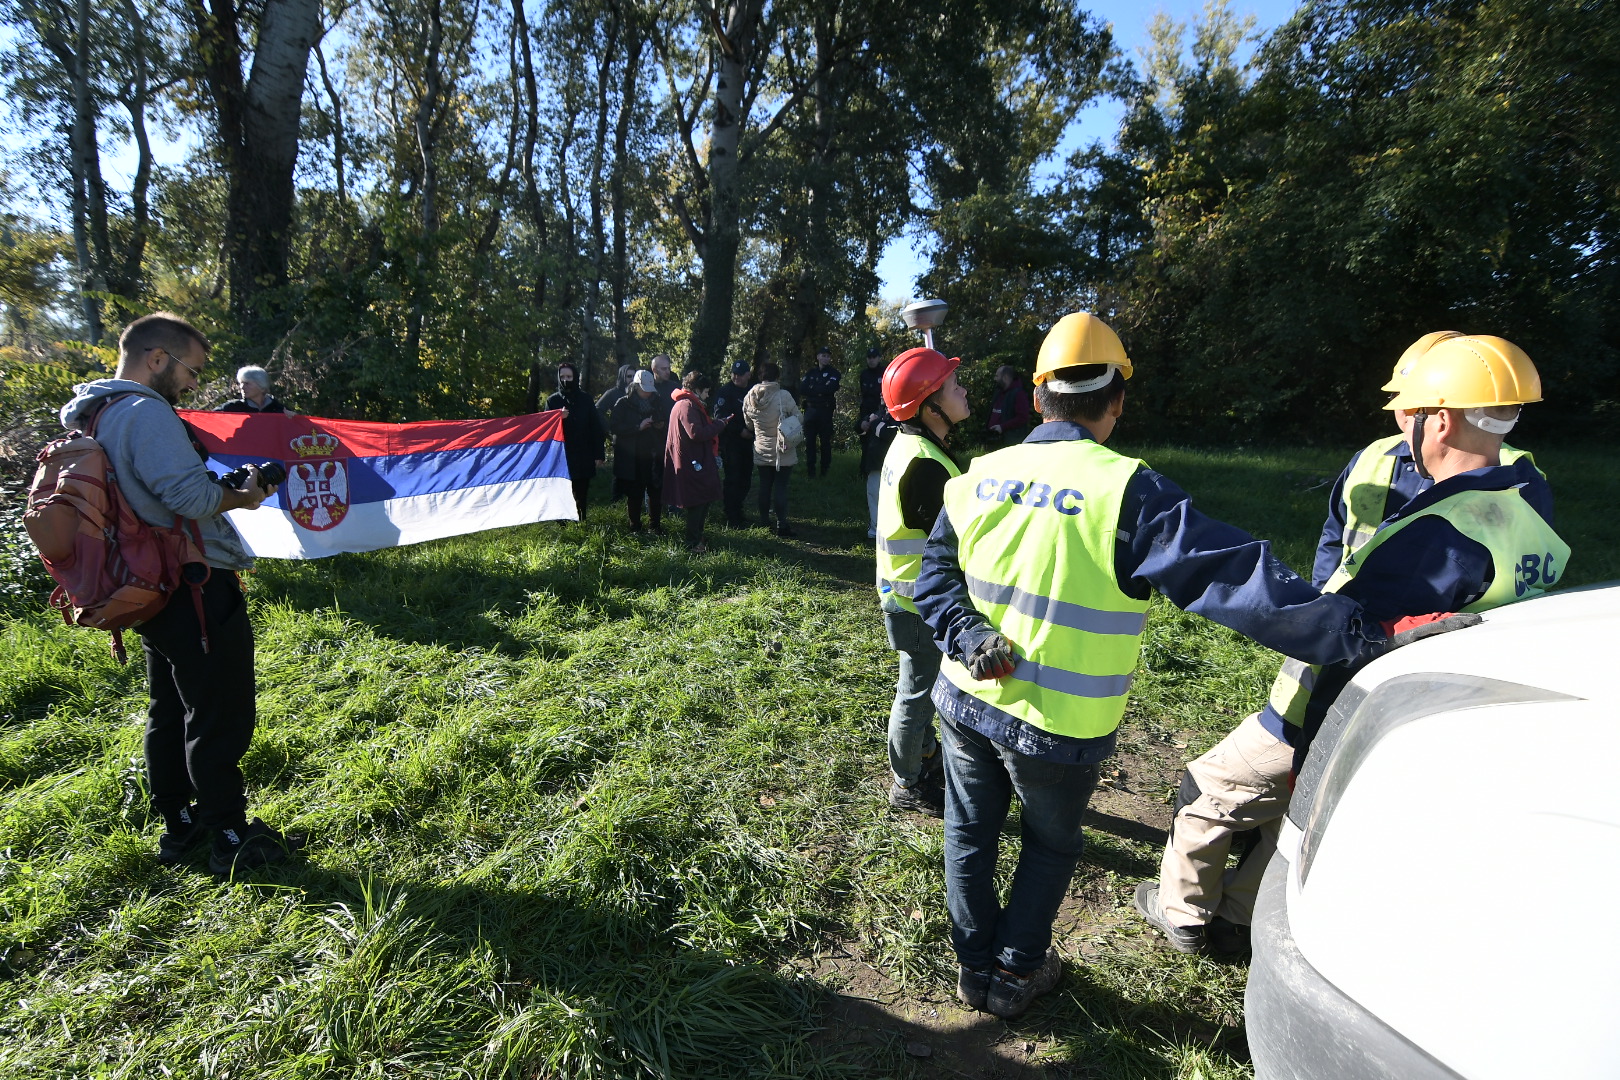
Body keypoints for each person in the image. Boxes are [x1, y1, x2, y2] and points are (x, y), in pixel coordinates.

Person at [915, 312, 1395, 1021]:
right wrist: (1364, 635)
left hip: (961, 702)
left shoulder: (979, 475)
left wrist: (966, 633)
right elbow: (1239, 581)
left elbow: (933, 581)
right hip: (1059, 728)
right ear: (1116, 403)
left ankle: (973, 965)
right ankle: (1014, 975)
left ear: (1040, 396)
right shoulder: (1129, 492)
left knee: (968, 833)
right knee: (1049, 846)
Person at [1133, 333, 1566, 957]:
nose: (1397, 417)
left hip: (1342, 703)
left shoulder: (1436, 535)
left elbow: (1354, 641)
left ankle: (1183, 917)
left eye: (1410, 407)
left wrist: (1306, 724)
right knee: (1300, 810)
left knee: (1211, 787)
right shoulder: (1525, 494)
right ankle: (1240, 915)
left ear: (1438, 418)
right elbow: (1338, 549)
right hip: (1437, 706)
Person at [59, 313, 296, 874]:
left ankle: (180, 824)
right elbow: (189, 498)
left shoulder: (94, 414)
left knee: (170, 707)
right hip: (189, 582)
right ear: (158, 358)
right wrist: (244, 494)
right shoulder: (145, 411)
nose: (194, 384)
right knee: (219, 709)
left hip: (142, 584)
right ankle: (231, 835)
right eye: (191, 369)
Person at [875, 348, 972, 817]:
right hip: (918, 604)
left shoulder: (913, 446)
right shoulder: (926, 464)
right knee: (915, 695)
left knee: (917, 688)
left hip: (908, 597)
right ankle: (906, 782)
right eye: (954, 387)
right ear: (929, 407)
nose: (964, 390)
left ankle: (921, 753)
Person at [664, 371, 733, 552]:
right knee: (698, 501)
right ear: (696, 389)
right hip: (691, 462)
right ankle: (693, 543)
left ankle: (697, 538)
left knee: (703, 499)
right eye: (706, 391)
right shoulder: (687, 406)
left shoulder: (687, 404)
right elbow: (696, 433)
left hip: (694, 459)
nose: (708, 395)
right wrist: (720, 424)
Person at [743, 361, 800, 536]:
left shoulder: (749, 397)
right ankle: (782, 525)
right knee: (781, 487)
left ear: (760, 376)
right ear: (777, 377)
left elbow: (749, 425)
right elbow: (798, 418)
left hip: (761, 447)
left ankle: (764, 523)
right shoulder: (784, 396)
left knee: (764, 486)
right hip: (783, 448)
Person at [545, 361, 607, 522]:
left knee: (581, 491)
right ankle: (563, 523)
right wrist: (557, 418)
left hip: (583, 452)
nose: (566, 380)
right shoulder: (553, 401)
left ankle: (581, 521)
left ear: (575, 377)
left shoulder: (585, 399)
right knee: (562, 490)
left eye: (569, 376)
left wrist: (598, 453)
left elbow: (595, 427)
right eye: (563, 376)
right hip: (561, 454)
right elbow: (545, 428)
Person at [609, 369, 669, 532]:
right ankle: (635, 526)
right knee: (634, 493)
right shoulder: (622, 403)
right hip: (632, 456)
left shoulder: (657, 401)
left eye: (649, 390)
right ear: (635, 387)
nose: (647, 394)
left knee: (656, 491)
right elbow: (615, 427)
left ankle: (655, 526)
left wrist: (659, 425)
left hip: (653, 454)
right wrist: (638, 427)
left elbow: (665, 421)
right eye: (644, 390)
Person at [713, 360, 755, 527]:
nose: (736, 377)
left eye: (740, 374)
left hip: (749, 441)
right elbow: (720, 415)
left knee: (746, 477)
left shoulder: (753, 391)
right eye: (734, 374)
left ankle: (739, 509)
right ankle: (731, 515)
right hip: (731, 441)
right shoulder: (725, 392)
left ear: (748, 375)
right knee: (733, 478)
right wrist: (739, 430)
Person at [800, 346, 840, 478]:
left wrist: (814, 388)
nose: (825, 358)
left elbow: (831, 389)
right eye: (823, 355)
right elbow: (803, 389)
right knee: (810, 442)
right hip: (810, 411)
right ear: (818, 357)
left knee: (825, 442)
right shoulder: (811, 372)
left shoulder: (834, 373)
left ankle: (824, 470)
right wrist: (821, 388)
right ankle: (810, 470)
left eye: (828, 356)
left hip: (825, 411)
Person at [985, 365, 1030, 446]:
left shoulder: (1019, 394)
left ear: (1005, 377)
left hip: (1011, 442)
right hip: (995, 441)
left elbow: (1022, 418)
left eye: (997, 376)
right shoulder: (999, 392)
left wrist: (1002, 427)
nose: (995, 379)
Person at [214, 365, 288, 414]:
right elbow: (210, 417)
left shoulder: (279, 410)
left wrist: (292, 417)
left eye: (247, 384)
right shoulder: (232, 408)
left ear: (261, 386)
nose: (242, 387)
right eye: (241, 383)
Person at [857, 347, 886, 464]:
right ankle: (864, 470)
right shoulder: (864, 374)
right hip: (866, 410)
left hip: (881, 410)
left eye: (874, 357)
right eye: (869, 357)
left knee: (879, 440)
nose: (871, 360)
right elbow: (863, 394)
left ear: (879, 358)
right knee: (865, 439)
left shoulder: (885, 372)